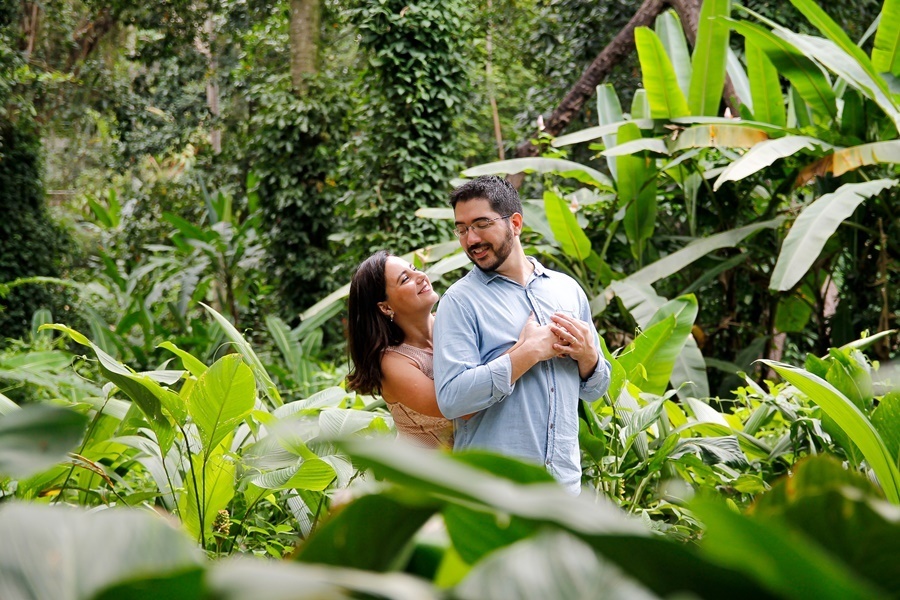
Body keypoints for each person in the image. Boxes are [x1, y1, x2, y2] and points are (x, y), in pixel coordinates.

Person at [433, 175, 611, 493]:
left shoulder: (567, 290)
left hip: (564, 490)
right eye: (461, 229)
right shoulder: (459, 302)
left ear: (515, 223)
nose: (470, 239)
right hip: (495, 495)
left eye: (481, 224)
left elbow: (595, 389)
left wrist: (589, 357)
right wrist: (528, 353)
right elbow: (452, 399)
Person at [346, 250, 453, 448]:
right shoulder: (392, 362)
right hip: (425, 475)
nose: (421, 276)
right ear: (385, 307)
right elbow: (459, 406)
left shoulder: (453, 322)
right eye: (406, 279)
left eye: (414, 269)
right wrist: (523, 353)